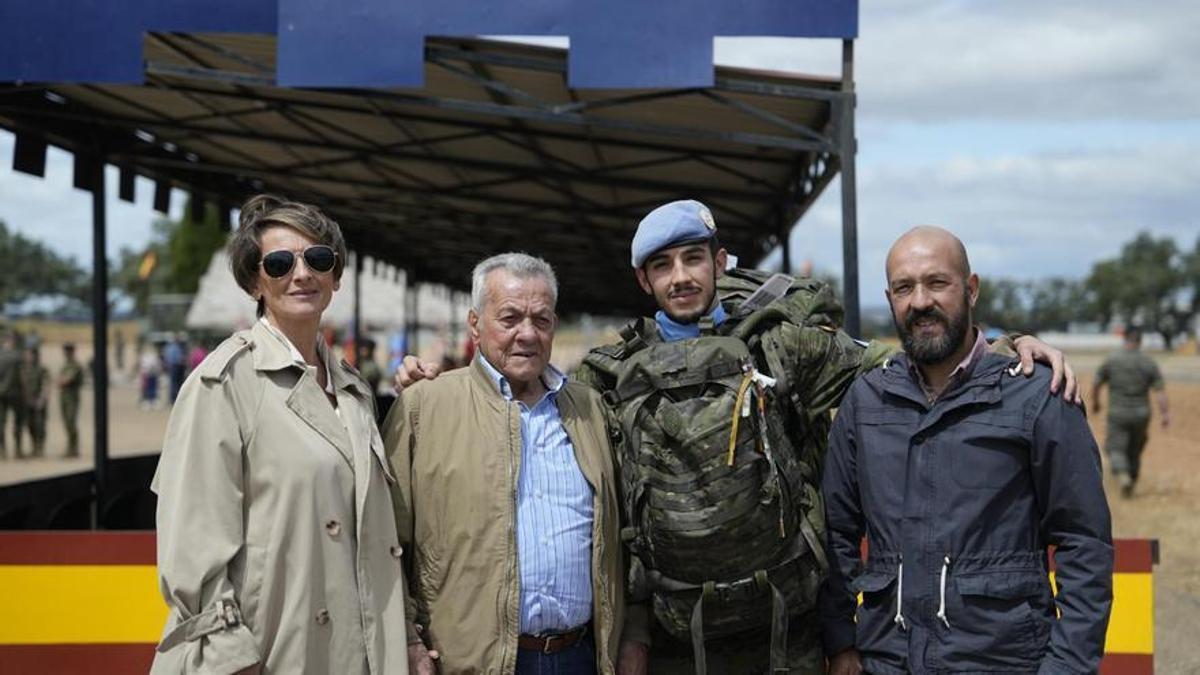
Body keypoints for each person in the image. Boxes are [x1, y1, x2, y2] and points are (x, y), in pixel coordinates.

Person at [395, 202, 1077, 675]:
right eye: (664, 266)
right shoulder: (608, 375)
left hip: (785, 624)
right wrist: (436, 381)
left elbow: (903, 360)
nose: (682, 276)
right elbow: (533, 413)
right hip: (672, 631)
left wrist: (1007, 344)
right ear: (645, 279)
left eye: (694, 258)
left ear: (719, 261)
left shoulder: (785, 344)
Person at [822, 226, 1112, 674]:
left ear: (971, 289)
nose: (920, 301)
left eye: (937, 283)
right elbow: (836, 533)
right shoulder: (865, 401)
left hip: (1003, 661)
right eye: (904, 288)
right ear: (890, 297)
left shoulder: (1036, 396)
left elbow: (1084, 544)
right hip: (888, 661)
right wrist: (841, 643)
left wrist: (1067, 667)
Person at [151, 195, 409, 674]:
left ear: (336, 276)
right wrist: (232, 661)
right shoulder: (223, 383)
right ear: (255, 281)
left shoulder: (354, 390)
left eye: (318, 259)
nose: (302, 273)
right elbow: (191, 547)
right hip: (273, 654)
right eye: (279, 262)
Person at [383, 253, 644, 674]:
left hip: (581, 656)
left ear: (554, 325)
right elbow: (384, 543)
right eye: (509, 318)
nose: (527, 334)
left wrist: (634, 634)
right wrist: (409, 640)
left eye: (541, 320)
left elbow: (627, 537)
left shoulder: (591, 410)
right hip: (467, 662)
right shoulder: (424, 408)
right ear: (474, 324)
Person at [1092, 326, 1170, 498]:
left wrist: (1095, 403)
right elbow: (1160, 392)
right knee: (1134, 450)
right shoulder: (1148, 362)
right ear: (1140, 341)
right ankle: (1131, 482)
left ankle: (1123, 476)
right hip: (1142, 413)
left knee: (1115, 448)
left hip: (1118, 412)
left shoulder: (1112, 359)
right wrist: (1165, 414)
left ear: (1124, 338)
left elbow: (1097, 382)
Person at [19, 346, 50, 458]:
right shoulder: (23, 369)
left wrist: (42, 399)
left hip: (38, 402)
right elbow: (22, 385)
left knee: (40, 426)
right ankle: (34, 447)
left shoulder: (42, 369)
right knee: (30, 425)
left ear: (35, 356)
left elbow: (46, 385)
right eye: (26, 355)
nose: (28, 357)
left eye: (30, 355)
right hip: (27, 402)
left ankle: (40, 448)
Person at [58, 343, 84, 458]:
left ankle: (73, 449)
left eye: (67, 351)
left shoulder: (75, 366)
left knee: (71, 423)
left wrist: (62, 381)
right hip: (64, 398)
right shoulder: (65, 365)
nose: (66, 354)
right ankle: (70, 448)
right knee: (66, 423)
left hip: (72, 398)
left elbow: (66, 380)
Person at [0, 331, 23, 459]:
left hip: (1, 394)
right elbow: (23, 376)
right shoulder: (18, 356)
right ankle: (18, 450)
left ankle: (2, 451)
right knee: (18, 422)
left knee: (1, 423)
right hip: (16, 394)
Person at [164, 332, 188, 403]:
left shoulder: (179, 347)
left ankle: (177, 398)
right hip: (175, 366)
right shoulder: (172, 347)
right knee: (174, 383)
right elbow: (169, 358)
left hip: (178, 366)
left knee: (177, 383)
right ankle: (173, 399)